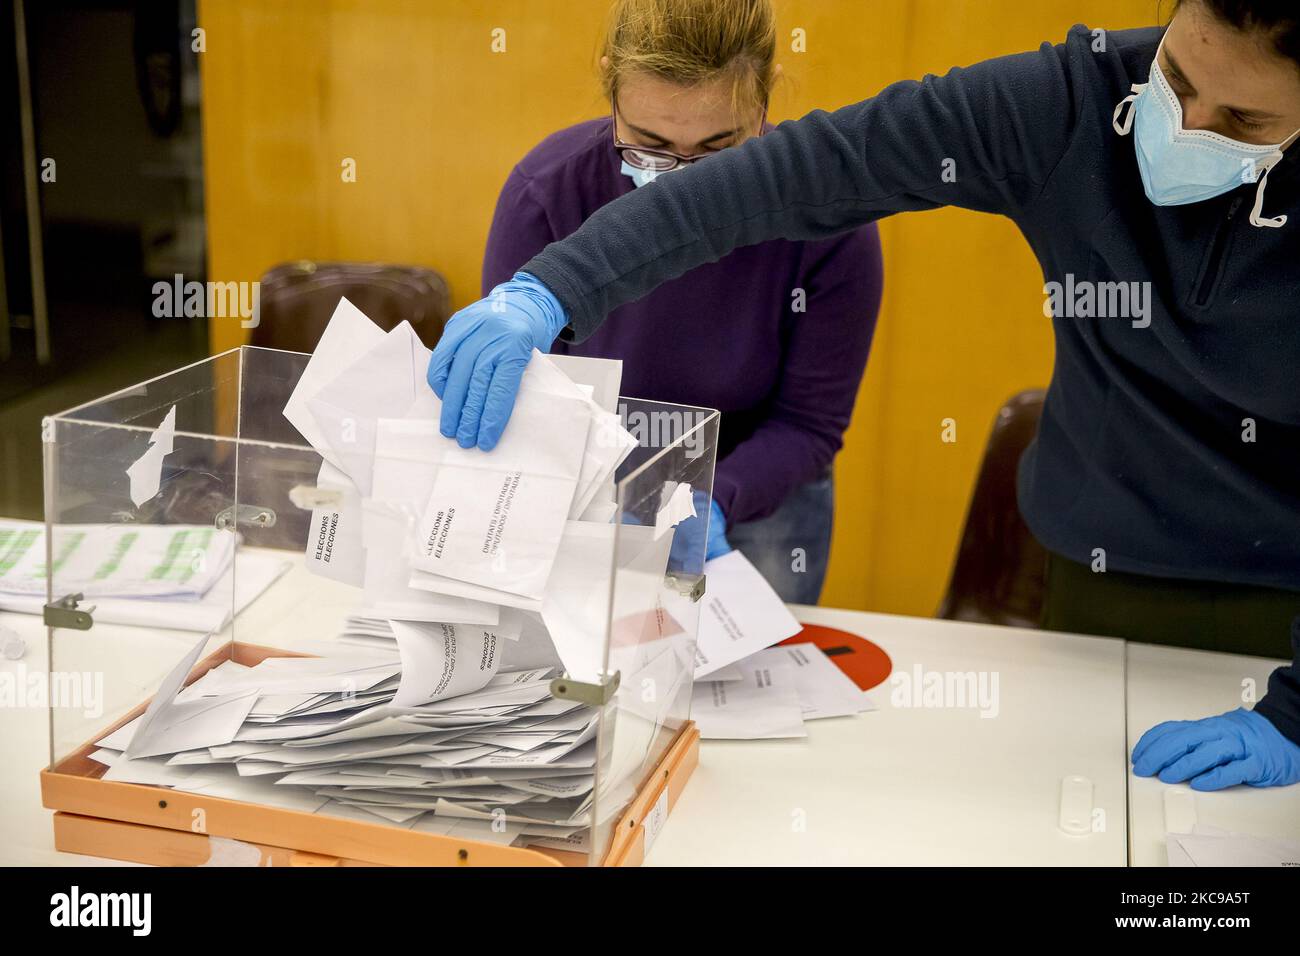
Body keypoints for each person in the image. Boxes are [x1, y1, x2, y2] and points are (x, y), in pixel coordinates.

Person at [429, 0, 1300, 790]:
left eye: (1244, 119)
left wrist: (1295, 716)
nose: (1184, 127)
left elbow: (812, 424)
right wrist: (554, 288)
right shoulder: (1075, 102)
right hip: (1105, 558)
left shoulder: (838, 261)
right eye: (1175, 79)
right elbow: (802, 173)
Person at [477, 0, 883, 604]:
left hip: (754, 498)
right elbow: (529, 396)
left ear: (765, 94)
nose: (683, 187)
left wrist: (712, 498)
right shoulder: (547, 191)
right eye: (648, 145)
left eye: (720, 150)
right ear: (610, 80)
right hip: (587, 483)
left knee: (751, 688)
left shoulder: (829, 219)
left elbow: (809, 423)